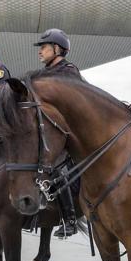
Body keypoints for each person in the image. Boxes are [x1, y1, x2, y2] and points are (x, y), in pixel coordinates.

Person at [34, 28, 86, 238]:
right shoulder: (42, 74)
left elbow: (73, 106)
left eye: (44, 47)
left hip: (69, 130)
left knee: (58, 166)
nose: (40, 51)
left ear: (57, 48)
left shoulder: (68, 71)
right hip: (50, 130)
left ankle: (70, 219)